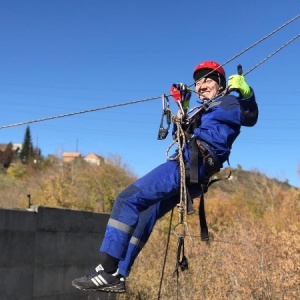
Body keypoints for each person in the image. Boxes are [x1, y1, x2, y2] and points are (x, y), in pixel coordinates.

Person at [72, 60, 258, 293]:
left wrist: (247, 94)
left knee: (126, 199)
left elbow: (249, 117)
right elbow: (181, 137)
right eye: (198, 81)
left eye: (208, 79)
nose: (201, 85)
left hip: (193, 162)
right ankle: (119, 273)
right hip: (194, 170)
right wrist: (183, 106)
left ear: (221, 84)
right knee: (146, 213)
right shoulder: (202, 111)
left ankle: (107, 269)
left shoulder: (227, 102)